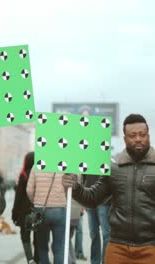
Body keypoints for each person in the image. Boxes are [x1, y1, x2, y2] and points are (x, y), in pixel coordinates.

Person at [62, 113, 155, 263]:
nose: (138, 139)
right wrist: (75, 187)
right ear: (125, 139)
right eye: (132, 135)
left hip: (151, 247)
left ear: (148, 136)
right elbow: (92, 199)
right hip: (118, 248)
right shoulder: (114, 169)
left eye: (142, 134)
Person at [27, 169, 67, 264]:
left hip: (40, 210)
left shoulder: (37, 164)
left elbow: (29, 190)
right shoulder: (63, 163)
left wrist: (35, 202)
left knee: (42, 246)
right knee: (59, 247)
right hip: (59, 209)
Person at [12, 152, 39, 263]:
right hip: (37, 210)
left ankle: (30, 259)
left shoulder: (24, 175)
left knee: (25, 236)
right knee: (37, 237)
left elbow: (18, 197)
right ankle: (38, 259)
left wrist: (14, 213)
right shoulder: (40, 174)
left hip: (24, 212)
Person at [82, 174, 109, 264]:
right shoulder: (88, 160)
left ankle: (105, 261)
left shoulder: (108, 159)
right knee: (93, 234)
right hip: (90, 200)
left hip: (105, 202)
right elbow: (83, 178)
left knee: (106, 235)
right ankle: (95, 262)